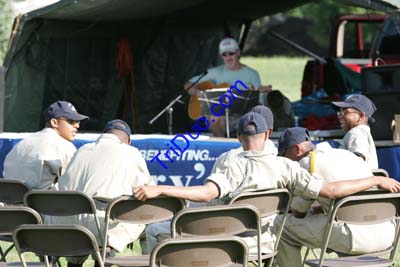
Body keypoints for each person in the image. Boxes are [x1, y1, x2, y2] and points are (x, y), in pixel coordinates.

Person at [133, 112, 400, 255]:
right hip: (262, 241)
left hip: (224, 240)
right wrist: (375, 179)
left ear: (238, 137)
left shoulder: (232, 164)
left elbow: (204, 194)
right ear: (269, 135)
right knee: (283, 228)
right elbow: (330, 191)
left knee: (156, 229)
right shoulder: (286, 166)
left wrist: (160, 188)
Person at [275, 127, 395, 267]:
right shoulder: (346, 154)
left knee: (281, 225)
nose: (286, 164)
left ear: (296, 149)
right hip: (387, 234)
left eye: (284, 157)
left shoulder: (307, 164)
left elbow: (298, 213)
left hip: (355, 237)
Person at [56, 119, 155, 267]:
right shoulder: (131, 152)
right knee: (152, 223)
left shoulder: (82, 150)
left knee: (95, 216)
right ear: (128, 141)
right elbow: (147, 191)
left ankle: (75, 262)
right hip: (103, 226)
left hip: (68, 228)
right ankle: (108, 260)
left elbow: (63, 186)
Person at [185, 37, 271, 137]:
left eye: (231, 53)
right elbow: (188, 84)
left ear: (238, 53)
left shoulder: (252, 74)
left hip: (242, 115)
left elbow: (258, 101)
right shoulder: (215, 72)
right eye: (224, 54)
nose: (228, 57)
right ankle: (219, 146)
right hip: (218, 115)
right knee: (216, 114)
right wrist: (198, 93)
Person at [3, 101, 88, 189]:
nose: (77, 126)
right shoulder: (65, 146)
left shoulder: (19, 145)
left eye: (78, 122)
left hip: (9, 201)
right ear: (54, 122)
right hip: (42, 201)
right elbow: (75, 184)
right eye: (71, 121)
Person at [332, 94, 378, 169]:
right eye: (339, 112)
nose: (339, 116)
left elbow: (358, 162)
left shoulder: (356, 133)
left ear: (360, 116)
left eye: (345, 113)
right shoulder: (360, 132)